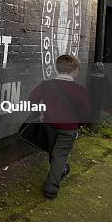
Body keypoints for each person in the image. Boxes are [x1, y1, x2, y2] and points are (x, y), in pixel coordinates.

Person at [28, 55, 90, 199]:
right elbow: (85, 114)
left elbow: (31, 100)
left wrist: (40, 114)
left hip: (49, 125)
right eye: (77, 69)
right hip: (68, 128)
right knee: (60, 155)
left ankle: (60, 169)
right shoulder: (80, 90)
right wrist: (77, 125)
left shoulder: (46, 85)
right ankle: (51, 188)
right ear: (74, 70)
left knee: (54, 151)